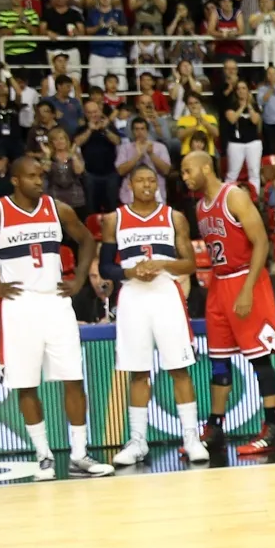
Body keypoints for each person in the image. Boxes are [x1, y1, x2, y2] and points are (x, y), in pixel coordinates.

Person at [0, 155, 114, 479]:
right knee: (26, 384)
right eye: (32, 176)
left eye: (41, 175)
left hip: (56, 302)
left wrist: (78, 278)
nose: (39, 180)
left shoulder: (58, 208)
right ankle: (44, 456)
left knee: (74, 378)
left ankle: (80, 455)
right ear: (16, 181)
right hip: (18, 307)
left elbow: (88, 239)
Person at [101, 162, 208, 467]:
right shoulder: (114, 219)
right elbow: (105, 267)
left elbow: (190, 264)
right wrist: (130, 270)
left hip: (165, 293)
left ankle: (191, 437)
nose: (147, 185)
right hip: (133, 295)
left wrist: (162, 264)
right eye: (141, 181)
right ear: (130, 186)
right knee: (137, 370)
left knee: (179, 367)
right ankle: (137, 441)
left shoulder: (173, 217)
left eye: (152, 180)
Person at [184, 150, 275, 458]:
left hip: (245, 279)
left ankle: (273, 429)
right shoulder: (201, 207)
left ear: (205, 167)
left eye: (188, 171)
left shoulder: (235, 196)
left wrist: (247, 289)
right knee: (219, 359)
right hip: (219, 282)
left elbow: (262, 243)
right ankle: (215, 427)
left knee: (259, 357)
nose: (185, 178)